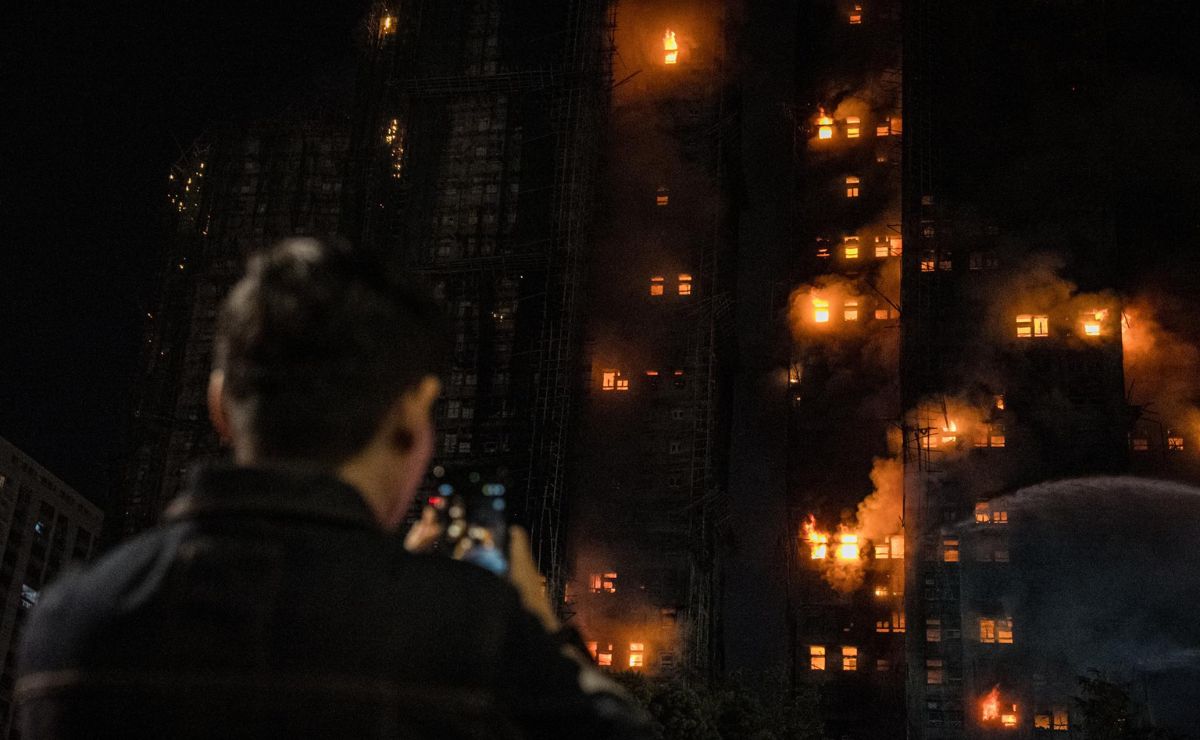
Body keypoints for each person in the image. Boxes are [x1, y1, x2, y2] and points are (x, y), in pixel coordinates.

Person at [16, 239, 652, 738]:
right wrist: (542, 625)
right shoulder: (474, 631)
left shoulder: (68, 627)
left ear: (219, 406)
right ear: (411, 415)